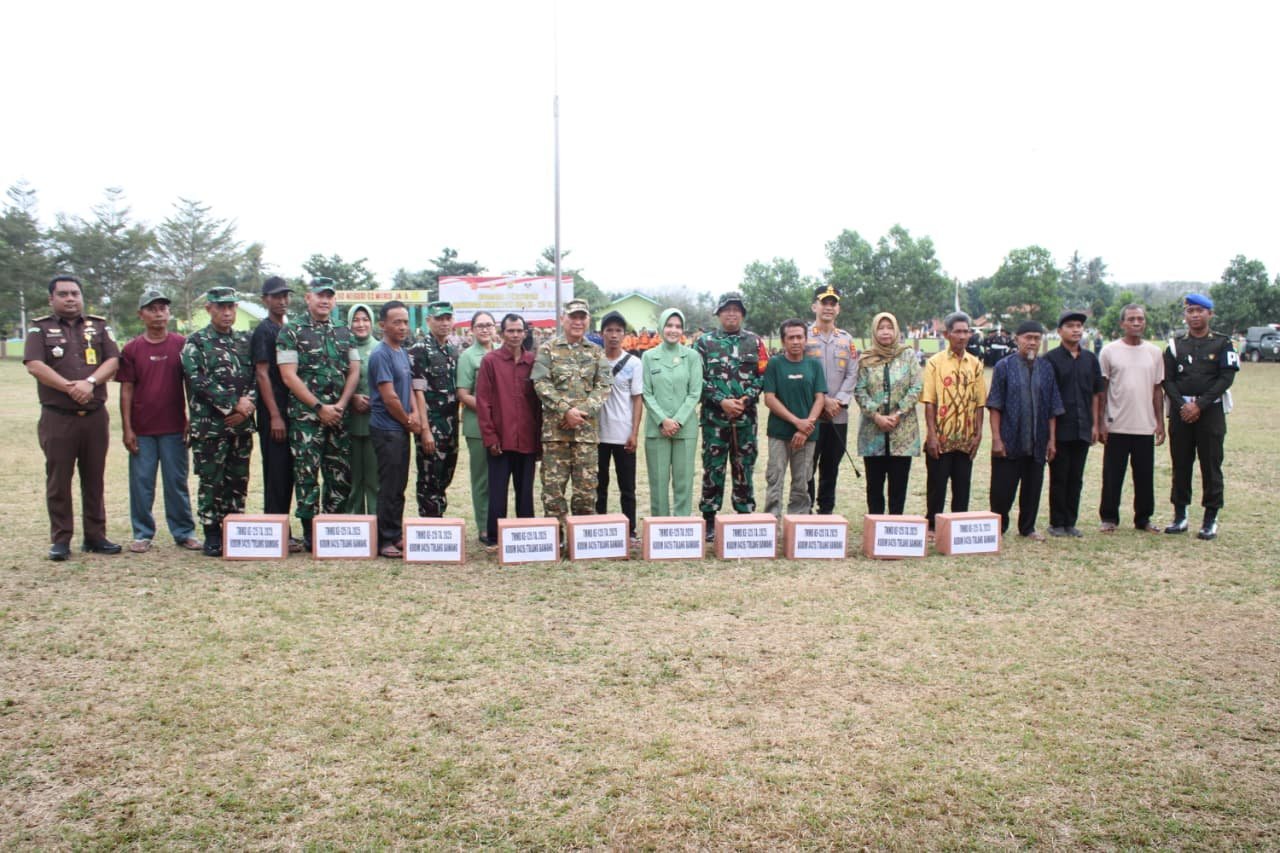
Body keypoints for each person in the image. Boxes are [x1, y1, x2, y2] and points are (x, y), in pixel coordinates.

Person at [24, 274, 122, 560]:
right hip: (58, 417)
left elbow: (113, 360)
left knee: (94, 478)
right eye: (63, 294)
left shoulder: (99, 326)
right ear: (51, 299)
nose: (70, 299)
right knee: (59, 480)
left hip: (94, 417)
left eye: (75, 293)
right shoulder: (40, 329)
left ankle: (95, 536)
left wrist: (90, 382)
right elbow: (34, 365)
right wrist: (69, 387)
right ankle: (61, 539)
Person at [277, 277, 360, 550]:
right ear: (308, 297)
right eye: (319, 295)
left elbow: (354, 371)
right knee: (307, 474)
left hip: (339, 416)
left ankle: (333, 527)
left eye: (329, 296)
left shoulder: (344, 331)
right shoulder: (291, 331)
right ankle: (310, 530)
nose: (325, 300)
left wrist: (340, 405)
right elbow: (288, 376)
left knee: (339, 473)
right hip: (307, 419)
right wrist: (318, 407)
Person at [117, 289, 200, 553]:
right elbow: (126, 389)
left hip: (174, 427)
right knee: (142, 483)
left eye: (163, 309)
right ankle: (142, 533)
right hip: (142, 430)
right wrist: (127, 428)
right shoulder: (131, 349)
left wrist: (191, 417)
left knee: (176, 482)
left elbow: (190, 383)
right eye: (152, 309)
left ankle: (184, 532)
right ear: (140, 314)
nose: (158, 314)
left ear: (169, 313)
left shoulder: (181, 344)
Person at [181, 286, 257, 556]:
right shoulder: (196, 342)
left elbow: (257, 376)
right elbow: (198, 380)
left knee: (238, 480)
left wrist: (247, 406)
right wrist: (233, 403)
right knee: (211, 480)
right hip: (210, 427)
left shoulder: (244, 341)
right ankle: (212, 532)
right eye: (221, 307)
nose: (227, 312)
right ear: (209, 309)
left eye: (231, 306)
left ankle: (234, 530)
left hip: (241, 425)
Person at [531, 299, 612, 536]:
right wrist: (565, 410)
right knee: (553, 492)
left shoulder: (596, 352)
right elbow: (541, 383)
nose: (577, 322)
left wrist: (581, 412)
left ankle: (581, 543)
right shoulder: (547, 349)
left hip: (586, 435)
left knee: (586, 493)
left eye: (582, 317)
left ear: (588, 321)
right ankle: (555, 540)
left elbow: (604, 385)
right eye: (573, 317)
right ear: (563, 319)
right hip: (555, 434)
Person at [1162, 293, 1238, 540]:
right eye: (1190, 311)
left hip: (1210, 411)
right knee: (1180, 463)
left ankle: (1210, 518)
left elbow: (1226, 378)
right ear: (1185, 315)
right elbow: (1167, 380)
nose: (1194, 315)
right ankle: (1180, 515)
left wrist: (1200, 405)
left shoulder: (1223, 343)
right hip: (1181, 411)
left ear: (1210, 314)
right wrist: (1183, 406)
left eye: (1199, 311)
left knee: (1211, 464)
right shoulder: (1175, 345)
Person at [696, 291, 768, 541]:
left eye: (736, 309)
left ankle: (743, 515)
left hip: (745, 419)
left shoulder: (755, 342)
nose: (731, 313)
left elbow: (762, 376)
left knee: (743, 466)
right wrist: (722, 401)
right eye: (727, 309)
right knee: (712, 467)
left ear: (743, 314)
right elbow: (697, 379)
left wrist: (745, 400)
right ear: (718, 313)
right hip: (714, 420)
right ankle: (709, 518)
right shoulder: (704, 343)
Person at [986, 320, 1064, 540]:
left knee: (1032, 487)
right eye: (1027, 338)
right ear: (1017, 339)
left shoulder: (1046, 368)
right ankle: (998, 527)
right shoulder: (1004, 366)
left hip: (1037, 441)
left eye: (1036, 338)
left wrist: (1052, 441)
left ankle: (1028, 528)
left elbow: (1053, 407)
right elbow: (995, 405)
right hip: (1009, 440)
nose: (1032, 342)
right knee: (1002, 489)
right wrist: (997, 439)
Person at [1098, 303, 1166, 533]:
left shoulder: (1154, 353)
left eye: (1140, 319)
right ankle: (1109, 517)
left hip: (1144, 426)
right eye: (1131, 319)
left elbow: (1157, 390)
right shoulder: (1109, 351)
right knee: (1112, 475)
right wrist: (1101, 422)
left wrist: (1160, 422)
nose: (1136, 323)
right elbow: (1102, 390)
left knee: (1145, 476)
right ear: (1122, 324)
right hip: (1116, 425)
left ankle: (1143, 518)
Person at [477, 314, 543, 548]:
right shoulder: (490, 361)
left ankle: (525, 536)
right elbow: (483, 402)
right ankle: (495, 538)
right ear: (501, 333)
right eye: (510, 331)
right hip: (500, 439)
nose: (515, 335)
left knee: (525, 491)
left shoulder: (533, 362)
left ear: (525, 333)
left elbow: (539, 403)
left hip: (527, 438)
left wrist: (539, 440)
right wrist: (490, 436)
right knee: (498, 492)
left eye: (519, 330)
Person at [920, 311, 986, 531]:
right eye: (957, 332)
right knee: (936, 486)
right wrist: (931, 435)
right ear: (947, 334)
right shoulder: (934, 363)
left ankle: (958, 529)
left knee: (962, 487)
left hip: (966, 438)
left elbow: (979, 402)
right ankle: (932, 526)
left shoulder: (975, 365)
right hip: (941, 437)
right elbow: (929, 401)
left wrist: (979, 434)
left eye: (966, 332)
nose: (962, 336)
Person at [251, 276, 303, 551]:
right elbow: (262, 374)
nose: (282, 301)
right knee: (276, 473)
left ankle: (284, 530)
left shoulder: (287, 328)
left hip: (292, 410)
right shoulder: (264, 331)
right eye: (276, 296)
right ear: (265, 300)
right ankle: (276, 531)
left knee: (289, 473)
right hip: (274, 412)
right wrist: (274, 415)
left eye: (285, 296)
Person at [853, 312, 922, 516]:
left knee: (898, 485)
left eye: (889, 327)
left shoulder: (907, 355)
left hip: (902, 431)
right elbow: (859, 389)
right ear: (874, 331)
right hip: (872, 431)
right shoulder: (866, 358)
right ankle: (875, 525)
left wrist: (898, 413)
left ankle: (894, 524)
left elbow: (916, 387)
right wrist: (876, 416)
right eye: (881, 328)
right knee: (874, 486)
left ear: (896, 330)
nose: (885, 332)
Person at [367, 301, 421, 557]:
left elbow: (407, 387)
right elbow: (389, 398)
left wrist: (415, 413)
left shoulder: (401, 351)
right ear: (383, 325)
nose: (402, 327)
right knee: (389, 485)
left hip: (400, 428)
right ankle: (385, 539)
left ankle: (396, 533)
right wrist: (409, 421)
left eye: (405, 322)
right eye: (396, 322)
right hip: (387, 429)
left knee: (399, 484)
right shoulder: (381, 354)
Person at [1045, 310, 1105, 537]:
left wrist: (1095, 425)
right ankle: (1057, 522)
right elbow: (1048, 399)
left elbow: (1096, 394)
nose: (1076, 330)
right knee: (1059, 476)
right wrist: (1050, 437)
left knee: (1076, 477)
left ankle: (1070, 521)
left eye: (1079, 326)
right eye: (1070, 326)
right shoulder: (1050, 360)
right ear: (1060, 331)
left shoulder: (1090, 359)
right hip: (1060, 428)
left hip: (1083, 426)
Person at [762, 319, 827, 519]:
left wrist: (805, 426)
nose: (796, 341)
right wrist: (796, 422)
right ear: (783, 341)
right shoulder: (775, 364)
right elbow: (769, 398)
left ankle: (797, 522)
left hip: (807, 435)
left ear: (806, 339)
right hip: (779, 433)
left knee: (802, 481)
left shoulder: (814, 365)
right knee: (775, 478)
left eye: (800, 337)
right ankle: (772, 521)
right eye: (791, 338)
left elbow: (820, 398)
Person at [641, 308, 702, 517]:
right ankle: (660, 526)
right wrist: (663, 420)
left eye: (678, 326)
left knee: (683, 481)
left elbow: (695, 393)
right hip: (657, 429)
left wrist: (677, 421)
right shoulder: (648, 357)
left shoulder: (692, 356)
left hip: (685, 429)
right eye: (669, 325)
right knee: (658, 483)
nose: (673, 330)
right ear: (661, 327)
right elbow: (646, 393)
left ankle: (682, 524)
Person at [804, 284, 858, 514]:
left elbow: (853, 373)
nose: (828, 307)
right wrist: (823, 400)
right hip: (810, 415)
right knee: (807, 465)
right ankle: (804, 510)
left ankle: (826, 511)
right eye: (823, 302)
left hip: (838, 414)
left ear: (838, 309)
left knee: (831, 465)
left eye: (832, 303)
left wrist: (838, 401)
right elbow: (801, 373)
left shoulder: (846, 339)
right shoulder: (803, 337)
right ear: (814, 306)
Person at [595, 311, 644, 541]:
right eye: (609, 330)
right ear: (601, 333)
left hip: (624, 434)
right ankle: (598, 527)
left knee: (627, 487)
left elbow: (637, 399)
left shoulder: (634, 363)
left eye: (618, 331)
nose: (614, 335)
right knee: (598, 485)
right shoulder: (594, 360)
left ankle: (630, 530)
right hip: (597, 435)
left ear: (625, 334)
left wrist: (634, 432)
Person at [410, 301, 460, 518]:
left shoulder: (452, 349)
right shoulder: (419, 350)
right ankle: (430, 522)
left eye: (448, 318)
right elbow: (417, 391)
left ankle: (440, 519)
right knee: (429, 476)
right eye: (439, 319)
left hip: (451, 425)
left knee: (445, 474)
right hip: (431, 425)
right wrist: (425, 430)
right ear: (428, 320)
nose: (444, 323)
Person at [455, 311, 497, 545]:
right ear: (471, 329)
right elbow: (463, 393)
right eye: (480, 325)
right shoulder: (468, 356)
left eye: (489, 325)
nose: (485, 329)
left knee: (499, 478)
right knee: (482, 479)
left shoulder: (502, 351)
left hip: (502, 426)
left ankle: (498, 522)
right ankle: (484, 526)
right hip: (477, 426)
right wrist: (490, 410)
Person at [343, 303, 378, 514]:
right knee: (352, 480)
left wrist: (376, 400)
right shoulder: (341, 347)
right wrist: (352, 397)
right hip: (348, 422)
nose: (361, 324)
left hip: (376, 422)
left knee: (375, 480)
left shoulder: (381, 348)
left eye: (365, 319)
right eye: (355, 320)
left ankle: (376, 524)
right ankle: (354, 523)